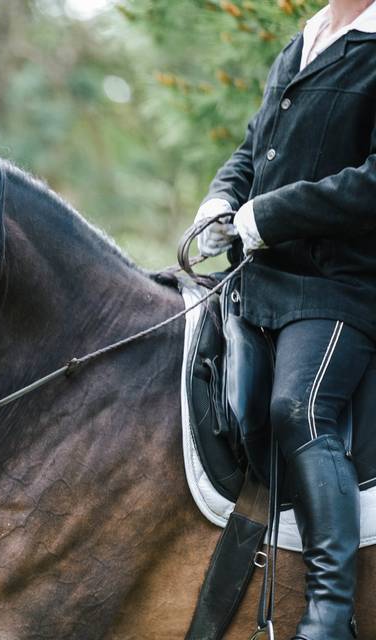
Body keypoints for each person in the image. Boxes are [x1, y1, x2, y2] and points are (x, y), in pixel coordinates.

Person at [195, 1, 376, 638]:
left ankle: (331, 614)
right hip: (260, 277)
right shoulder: (306, 38)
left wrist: (266, 216)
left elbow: (373, 183)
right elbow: (255, 146)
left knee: (298, 407)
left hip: (339, 286)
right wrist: (222, 199)